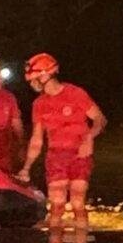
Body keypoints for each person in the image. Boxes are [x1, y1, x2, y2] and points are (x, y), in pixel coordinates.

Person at [16, 53, 107, 229]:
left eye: (34, 78)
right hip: (56, 157)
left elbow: (100, 120)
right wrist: (26, 167)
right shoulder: (39, 104)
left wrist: (88, 137)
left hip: (80, 156)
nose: (31, 83)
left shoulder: (76, 93)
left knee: (77, 204)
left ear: (45, 75)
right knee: (56, 206)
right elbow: (37, 139)